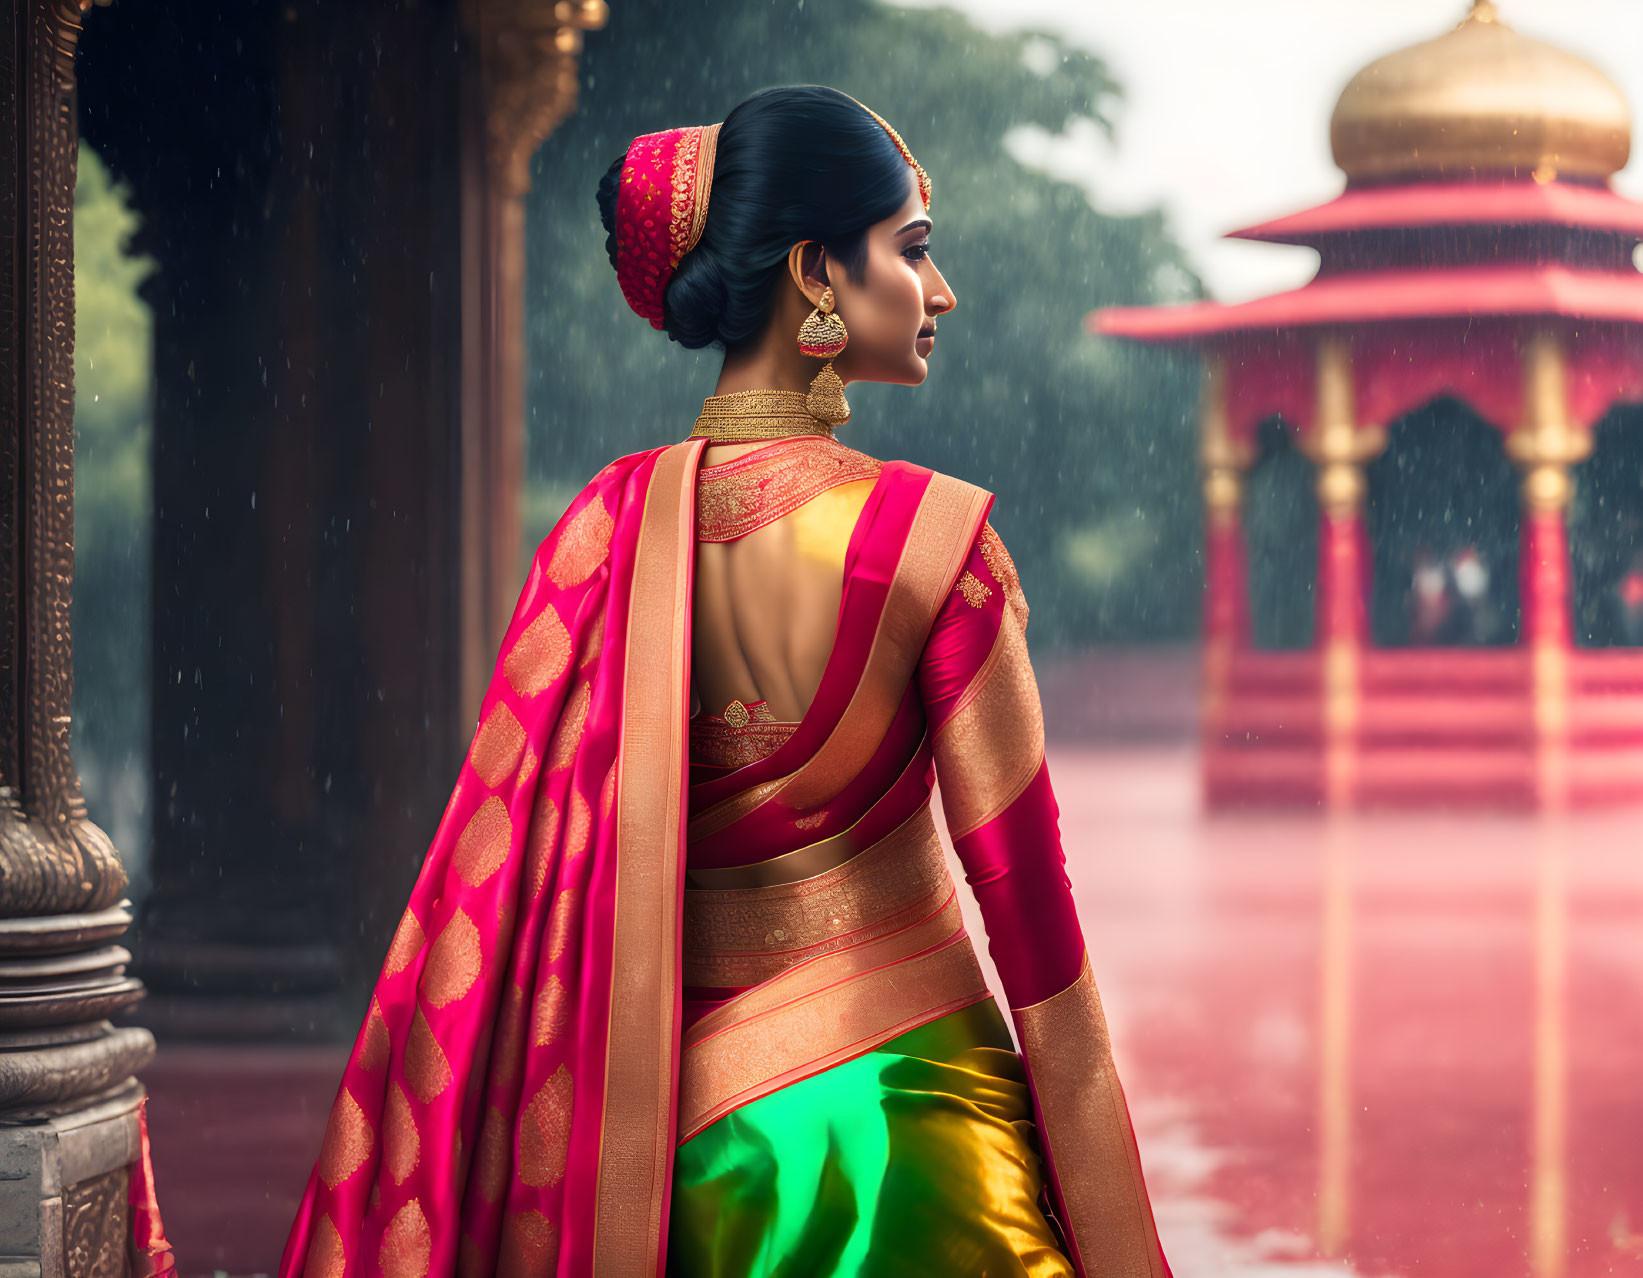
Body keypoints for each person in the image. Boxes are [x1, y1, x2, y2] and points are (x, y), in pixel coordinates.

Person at [279, 85, 1169, 1278]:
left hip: (670, 1174)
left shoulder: (600, 536)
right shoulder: (935, 544)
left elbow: (497, 884)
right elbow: (1036, 938)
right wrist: (1116, 1241)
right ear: (814, 273)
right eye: (910, 248)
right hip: (915, 1144)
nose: (939, 289)